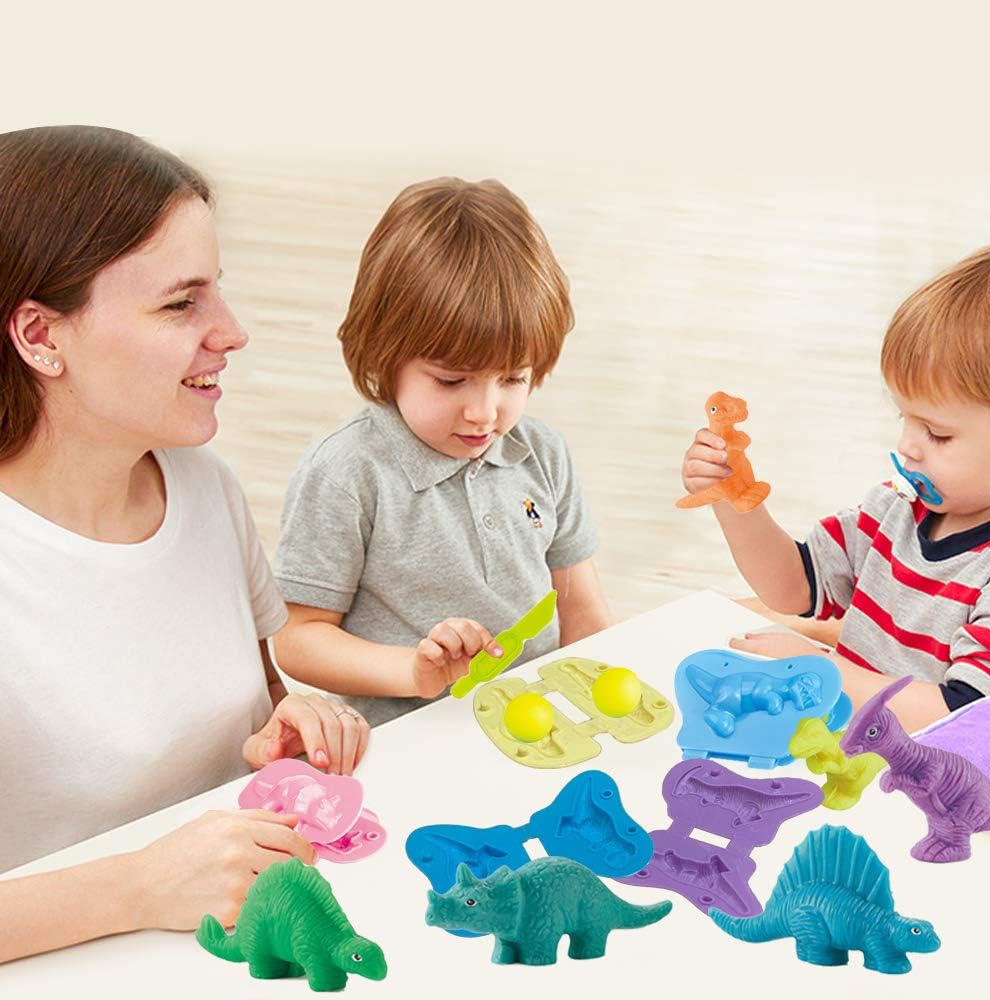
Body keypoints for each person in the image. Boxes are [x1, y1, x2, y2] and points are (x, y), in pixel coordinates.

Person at [0, 126, 370, 962]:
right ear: (41, 337)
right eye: (180, 303)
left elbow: (258, 702)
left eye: (218, 293)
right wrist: (138, 886)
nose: (231, 332)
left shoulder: (204, 489)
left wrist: (287, 729)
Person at [273, 177, 612, 725]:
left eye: (513, 378)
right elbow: (298, 639)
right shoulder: (346, 473)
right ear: (384, 356)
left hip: (538, 722)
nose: (484, 412)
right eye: (451, 381)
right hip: (411, 735)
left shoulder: (542, 454)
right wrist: (414, 671)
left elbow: (583, 612)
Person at [680, 246, 990, 732]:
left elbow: (965, 716)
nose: (907, 445)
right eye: (904, 417)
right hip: (851, 748)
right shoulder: (895, 507)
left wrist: (822, 671)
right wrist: (734, 498)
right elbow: (794, 587)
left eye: (937, 433)